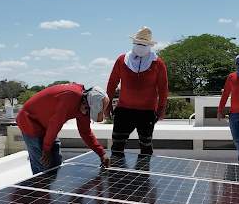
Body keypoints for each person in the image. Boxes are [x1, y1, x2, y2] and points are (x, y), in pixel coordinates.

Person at [15, 82, 110, 173]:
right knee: (42, 165)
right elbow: (55, 124)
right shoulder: (70, 96)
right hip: (29, 121)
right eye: (88, 111)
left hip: (46, 125)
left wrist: (101, 153)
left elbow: (85, 132)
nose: (86, 113)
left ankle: (50, 187)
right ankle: (39, 189)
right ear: (85, 103)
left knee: (56, 161)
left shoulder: (85, 106)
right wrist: (46, 149)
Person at [106, 26, 169, 156]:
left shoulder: (158, 63)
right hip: (124, 111)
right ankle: (116, 176)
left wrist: (161, 109)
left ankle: (144, 176)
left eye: (144, 44)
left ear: (149, 45)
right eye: (138, 43)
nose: (140, 46)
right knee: (117, 146)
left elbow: (163, 88)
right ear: (133, 43)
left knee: (146, 148)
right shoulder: (122, 60)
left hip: (147, 113)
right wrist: (107, 105)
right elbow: (112, 83)